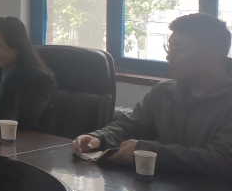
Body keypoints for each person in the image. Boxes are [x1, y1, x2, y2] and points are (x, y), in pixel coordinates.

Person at [72, 13, 232, 181]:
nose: (169, 57)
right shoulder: (164, 92)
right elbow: (130, 126)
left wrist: (147, 151)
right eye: (169, 48)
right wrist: (99, 138)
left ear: (210, 57)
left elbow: (223, 160)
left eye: (178, 49)